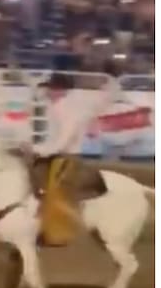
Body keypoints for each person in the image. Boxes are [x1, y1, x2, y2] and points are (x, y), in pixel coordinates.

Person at [32, 70, 115, 246]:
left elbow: (64, 138)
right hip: (62, 155)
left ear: (59, 90)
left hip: (64, 157)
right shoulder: (63, 106)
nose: (47, 92)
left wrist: (41, 150)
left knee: (56, 196)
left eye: (51, 89)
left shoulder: (65, 109)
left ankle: (65, 232)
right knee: (52, 194)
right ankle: (50, 230)